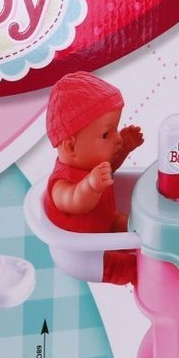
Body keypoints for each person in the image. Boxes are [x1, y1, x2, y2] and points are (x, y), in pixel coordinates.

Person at [43, 72, 143, 285]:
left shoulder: (92, 165)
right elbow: (73, 200)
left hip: (106, 224)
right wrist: (90, 186)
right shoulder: (60, 183)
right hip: (85, 255)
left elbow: (109, 171)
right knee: (132, 268)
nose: (117, 138)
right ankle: (144, 275)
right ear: (71, 146)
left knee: (138, 227)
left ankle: (150, 244)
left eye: (116, 129)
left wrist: (124, 149)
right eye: (106, 134)